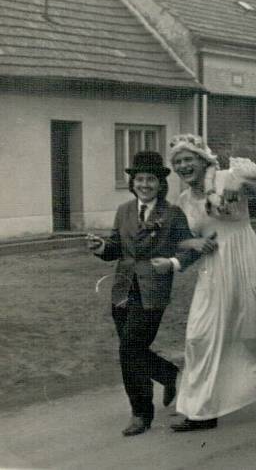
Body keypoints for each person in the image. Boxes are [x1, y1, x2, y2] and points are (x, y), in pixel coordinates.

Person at [167, 134, 256, 432]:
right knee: (199, 336)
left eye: (189, 159)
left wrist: (244, 183)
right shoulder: (184, 200)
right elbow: (189, 241)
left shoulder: (226, 176)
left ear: (203, 160)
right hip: (213, 268)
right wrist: (187, 249)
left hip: (245, 257)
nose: (184, 166)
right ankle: (202, 410)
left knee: (250, 330)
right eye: (178, 162)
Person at [86, 151, 201, 437]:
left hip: (152, 292)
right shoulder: (124, 210)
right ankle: (168, 374)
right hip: (122, 290)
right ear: (132, 182)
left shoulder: (172, 214)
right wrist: (101, 248)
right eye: (140, 179)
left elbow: (189, 248)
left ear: (160, 184)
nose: (145, 185)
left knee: (129, 350)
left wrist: (173, 264)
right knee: (132, 349)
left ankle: (141, 413)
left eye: (151, 179)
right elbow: (116, 246)